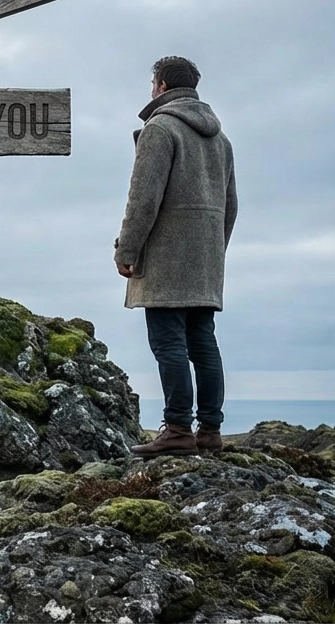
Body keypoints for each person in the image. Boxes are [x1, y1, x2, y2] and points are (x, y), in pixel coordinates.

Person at [115, 56, 237, 458]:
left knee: (168, 343)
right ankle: (211, 432)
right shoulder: (221, 141)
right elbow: (231, 206)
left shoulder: (160, 128)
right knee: (203, 343)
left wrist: (127, 249)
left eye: (153, 82)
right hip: (205, 260)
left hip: (167, 258)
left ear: (162, 86)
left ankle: (178, 429)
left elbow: (143, 198)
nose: (152, 89)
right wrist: (213, 251)